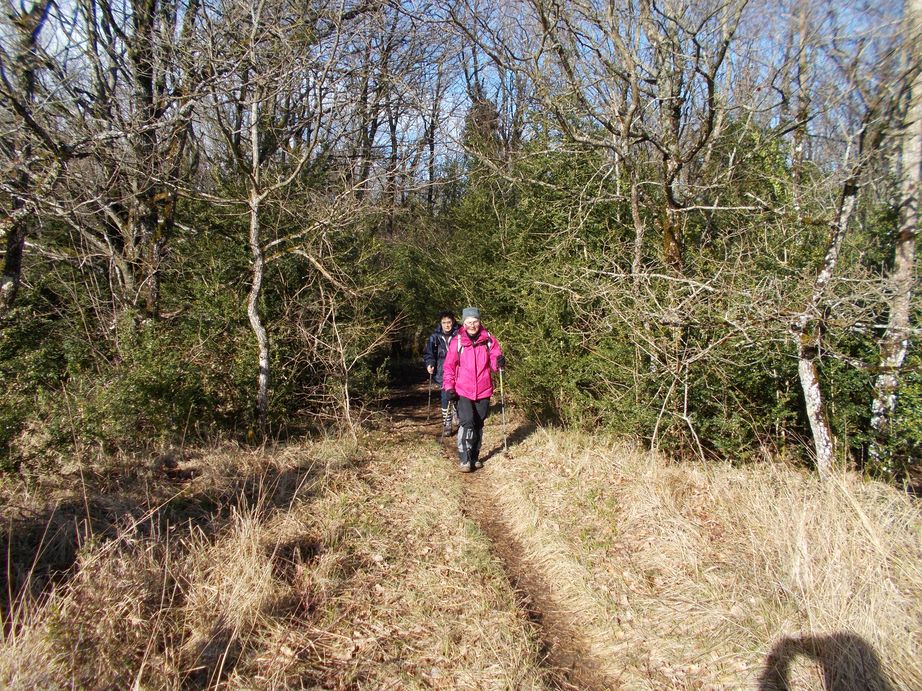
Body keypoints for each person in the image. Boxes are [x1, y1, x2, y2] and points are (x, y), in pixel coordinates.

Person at [442, 307, 505, 472]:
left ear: (479, 321)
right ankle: (464, 458)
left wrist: (499, 363)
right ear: (464, 323)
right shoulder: (458, 342)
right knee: (467, 422)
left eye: (475, 321)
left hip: (484, 389)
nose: (472, 325)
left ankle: (475, 456)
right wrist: (449, 387)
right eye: (469, 322)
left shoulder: (489, 340)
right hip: (463, 389)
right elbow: (449, 367)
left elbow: (494, 361)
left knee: (478, 423)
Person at [423, 311, 460, 437]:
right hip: (442, 369)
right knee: (445, 395)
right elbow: (429, 353)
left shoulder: (460, 334)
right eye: (444, 322)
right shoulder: (434, 337)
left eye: (449, 322)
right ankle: (447, 423)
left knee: (458, 394)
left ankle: (456, 410)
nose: (447, 325)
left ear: (453, 322)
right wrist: (430, 363)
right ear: (440, 323)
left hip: (459, 369)